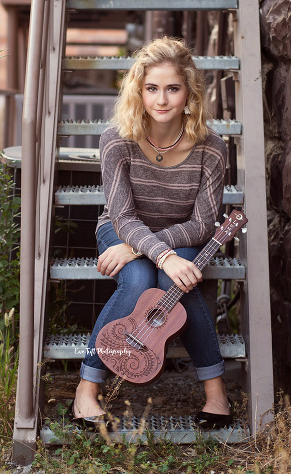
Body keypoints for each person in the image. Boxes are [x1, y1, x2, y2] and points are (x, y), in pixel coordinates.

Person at [71, 37, 232, 430]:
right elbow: (122, 216)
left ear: (189, 92)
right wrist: (157, 254)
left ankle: (216, 394)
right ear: (138, 90)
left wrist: (159, 252)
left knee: (177, 284)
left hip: (181, 238)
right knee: (140, 279)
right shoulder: (117, 140)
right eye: (152, 88)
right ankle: (87, 388)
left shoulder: (212, 148)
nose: (161, 100)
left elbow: (202, 223)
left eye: (173, 89)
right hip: (121, 233)